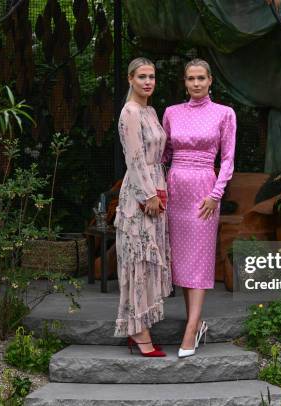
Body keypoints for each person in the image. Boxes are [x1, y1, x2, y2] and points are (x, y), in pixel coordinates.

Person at [162, 58, 236, 358]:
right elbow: (164, 152)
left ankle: (191, 328)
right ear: (184, 81)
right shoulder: (171, 113)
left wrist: (216, 194)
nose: (196, 83)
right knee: (181, 260)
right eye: (190, 78)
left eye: (201, 78)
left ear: (210, 81)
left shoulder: (224, 114)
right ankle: (195, 321)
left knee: (200, 259)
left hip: (205, 192)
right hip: (175, 189)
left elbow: (228, 158)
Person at [113, 57, 172, 357]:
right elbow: (134, 159)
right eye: (142, 77)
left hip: (156, 189)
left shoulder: (150, 110)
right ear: (130, 80)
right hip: (139, 196)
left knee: (149, 264)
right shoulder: (130, 112)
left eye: (152, 77)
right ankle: (137, 331)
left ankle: (141, 327)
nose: (148, 82)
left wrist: (160, 192)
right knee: (138, 260)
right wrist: (148, 195)